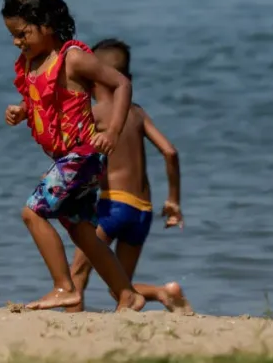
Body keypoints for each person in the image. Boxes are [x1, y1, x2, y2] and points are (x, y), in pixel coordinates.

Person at [2, 0, 146, 313]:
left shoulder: (73, 58)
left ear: (47, 25)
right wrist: (22, 111)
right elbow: (44, 100)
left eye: (22, 33)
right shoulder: (32, 63)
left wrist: (112, 132)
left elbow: (121, 84)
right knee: (82, 231)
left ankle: (64, 287)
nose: (16, 42)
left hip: (82, 156)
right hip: (68, 158)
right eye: (12, 35)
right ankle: (127, 294)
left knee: (33, 211)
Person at [66, 38, 190, 313]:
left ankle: (69, 329)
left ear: (90, 78)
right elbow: (170, 152)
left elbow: (76, 158)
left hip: (114, 206)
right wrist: (173, 201)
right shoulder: (137, 113)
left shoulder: (94, 114)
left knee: (78, 274)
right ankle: (163, 293)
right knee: (119, 287)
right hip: (142, 211)